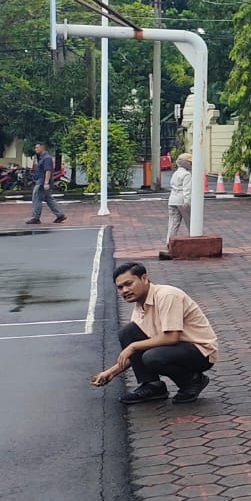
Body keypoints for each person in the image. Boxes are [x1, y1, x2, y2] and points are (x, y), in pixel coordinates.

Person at [90, 262, 219, 405]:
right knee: (128, 332)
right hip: (174, 349)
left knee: (151, 356)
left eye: (128, 284)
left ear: (144, 278)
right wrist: (110, 373)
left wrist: (133, 346)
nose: (125, 290)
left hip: (201, 352)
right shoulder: (139, 306)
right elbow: (136, 354)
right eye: (120, 288)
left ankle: (192, 381)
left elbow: (172, 337)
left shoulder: (167, 295)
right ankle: (153, 386)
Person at [24, 141, 66, 225]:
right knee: (48, 198)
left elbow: (48, 171)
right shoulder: (43, 157)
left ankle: (36, 217)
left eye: (37, 147)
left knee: (37, 198)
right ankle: (60, 215)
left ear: (42, 147)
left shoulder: (46, 158)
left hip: (42, 181)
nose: (35, 149)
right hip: (41, 181)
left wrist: (46, 183)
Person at [164, 153, 193, 251]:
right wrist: (187, 201)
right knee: (190, 223)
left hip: (172, 199)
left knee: (173, 223)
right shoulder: (187, 174)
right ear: (187, 163)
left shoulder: (175, 173)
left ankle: (169, 242)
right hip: (182, 200)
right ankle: (195, 239)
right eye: (190, 162)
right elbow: (187, 190)